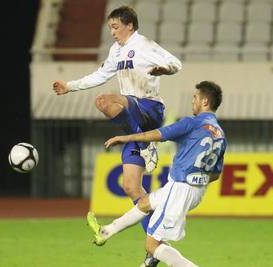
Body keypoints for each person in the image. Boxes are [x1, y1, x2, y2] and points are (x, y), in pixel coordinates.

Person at [52, 6, 182, 262]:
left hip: (150, 108)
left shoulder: (143, 44)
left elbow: (176, 63)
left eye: (115, 26)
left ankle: (146, 145)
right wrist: (70, 86)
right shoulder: (116, 51)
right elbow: (100, 74)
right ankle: (155, 248)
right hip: (135, 121)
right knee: (132, 188)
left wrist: (165, 69)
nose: (112, 32)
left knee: (106, 100)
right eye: (110, 27)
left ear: (130, 26)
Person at [87, 81, 227, 267]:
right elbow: (216, 174)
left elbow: (154, 135)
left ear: (205, 102)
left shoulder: (192, 123)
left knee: (152, 246)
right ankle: (105, 232)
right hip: (197, 191)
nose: (192, 101)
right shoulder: (219, 133)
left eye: (195, 97)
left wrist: (124, 138)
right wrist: (196, 178)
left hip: (180, 188)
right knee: (144, 204)